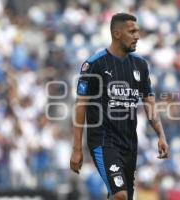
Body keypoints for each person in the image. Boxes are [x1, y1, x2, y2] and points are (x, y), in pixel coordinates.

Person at [70, 13, 169, 200]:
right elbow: (80, 105)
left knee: (124, 197)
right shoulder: (94, 64)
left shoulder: (141, 65)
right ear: (116, 33)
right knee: (120, 196)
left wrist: (161, 135)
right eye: (132, 31)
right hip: (103, 141)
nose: (137, 36)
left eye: (138, 31)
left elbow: (149, 102)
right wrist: (76, 148)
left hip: (130, 143)